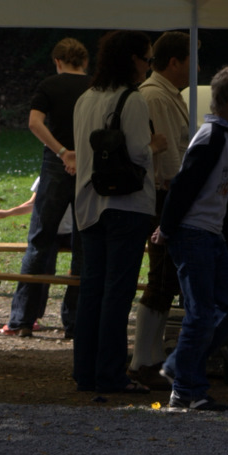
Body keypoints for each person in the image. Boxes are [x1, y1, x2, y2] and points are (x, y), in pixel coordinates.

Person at [154, 66, 228, 411]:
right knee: (200, 312)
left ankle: (181, 369)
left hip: (210, 235)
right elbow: (183, 185)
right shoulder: (212, 138)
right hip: (194, 233)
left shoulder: (223, 137)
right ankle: (188, 386)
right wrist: (167, 228)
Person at [70, 30, 157, 398]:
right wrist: (157, 145)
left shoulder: (85, 98)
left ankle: (86, 372)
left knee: (92, 290)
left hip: (88, 204)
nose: (149, 67)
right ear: (132, 60)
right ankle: (111, 374)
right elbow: (138, 152)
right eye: (147, 59)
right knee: (117, 293)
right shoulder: (131, 99)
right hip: (126, 204)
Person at [4, 37, 90, 336]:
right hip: (88, 164)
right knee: (84, 243)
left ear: (57, 62)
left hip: (56, 163)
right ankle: (76, 321)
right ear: (85, 61)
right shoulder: (95, 87)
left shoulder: (49, 85)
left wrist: (62, 152)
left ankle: (22, 319)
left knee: (40, 239)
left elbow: (34, 123)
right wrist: (80, 154)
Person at [133, 31, 192, 388]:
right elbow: (170, 156)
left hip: (167, 194)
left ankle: (151, 357)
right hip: (164, 195)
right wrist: (180, 191)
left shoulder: (166, 94)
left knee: (166, 279)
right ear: (174, 62)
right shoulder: (156, 96)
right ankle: (143, 359)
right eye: (191, 60)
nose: (195, 68)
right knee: (162, 277)